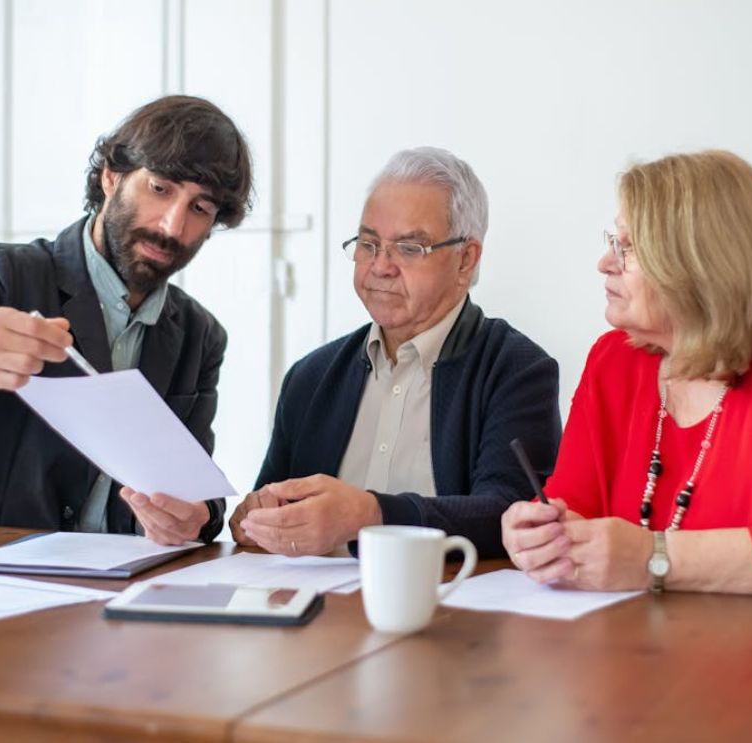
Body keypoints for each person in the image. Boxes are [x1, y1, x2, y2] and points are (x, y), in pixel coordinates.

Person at [503, 150, 752, 594]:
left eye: (629, 247)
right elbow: (576, 504)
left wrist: (653, 557)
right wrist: (544, 536)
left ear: (698, 265)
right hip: (638, 650)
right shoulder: (615, 359)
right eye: (612, 241)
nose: (605, 262)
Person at [0, 95, 252, 544]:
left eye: (200, 208)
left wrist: (197, 515)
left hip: (124, 586)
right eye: (160, 188)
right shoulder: (6, 273)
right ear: (112, 176)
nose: (172, 225)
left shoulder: (199, 335)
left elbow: (195, 484)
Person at [229, 147, 561, 558]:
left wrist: (370, 514)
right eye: (368, 244)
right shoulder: (311, 376)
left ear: (465, 259)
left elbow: (512, 514)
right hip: (318, 613)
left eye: (408, 248)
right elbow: (268, 503)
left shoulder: (516, 369)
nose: (380, 266)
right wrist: (256, 516)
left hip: (448, 606)